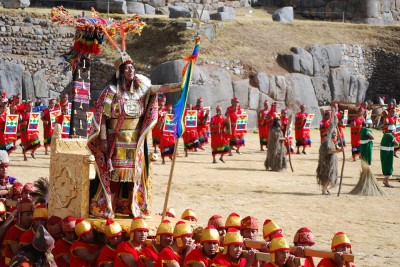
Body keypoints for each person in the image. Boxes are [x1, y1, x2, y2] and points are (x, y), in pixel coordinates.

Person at [87, 53, 181, 218]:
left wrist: (181, 85)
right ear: (121, 72)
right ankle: (110, 207)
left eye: (132, 67)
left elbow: (160, 88)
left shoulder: (142, 87)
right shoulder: (111, 91)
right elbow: (102, 117)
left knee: (134, 175)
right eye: (127, 68)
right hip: (114, 139)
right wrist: (102, 139)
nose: (131, 70)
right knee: (114, 174)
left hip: (135, 141)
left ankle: (132, 206)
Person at [316, 116, 343, 195]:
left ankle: (325, 189)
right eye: (334, 133)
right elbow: (329, 151)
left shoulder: (331, 141)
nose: (335, 135)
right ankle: (324, 190)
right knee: (326, 175)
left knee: (329, 175)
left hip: (329, 162)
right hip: (326, 162)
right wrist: (338, 151)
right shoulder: (327, 141)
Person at [3, 198, 33, 266]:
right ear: (20, 216)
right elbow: (18, 254)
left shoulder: (33, 229)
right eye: (28, 215)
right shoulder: (12, 232)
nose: (31, 217)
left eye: (32, 214)